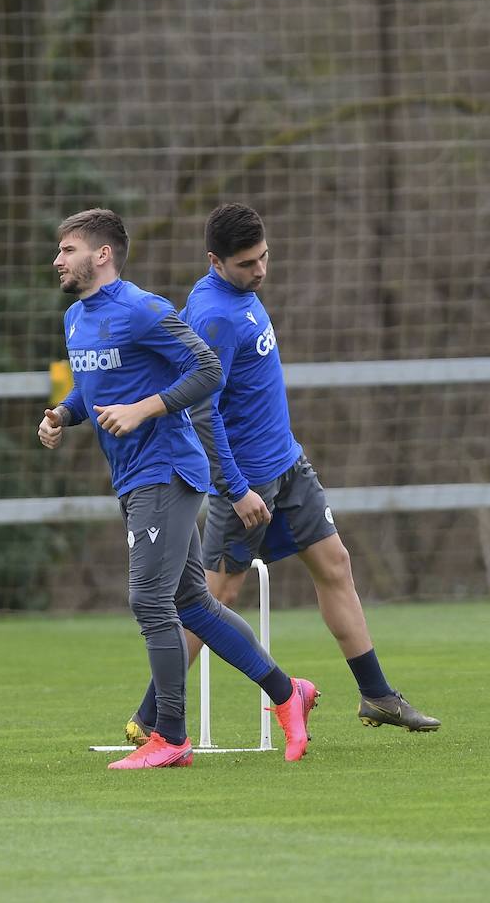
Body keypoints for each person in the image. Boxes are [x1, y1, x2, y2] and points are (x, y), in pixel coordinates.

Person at [123, 203, 439, 743]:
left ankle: (377, 695)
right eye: (247, 263)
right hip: (245, 483)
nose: (260, 270)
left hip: (289, 465)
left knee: (335, 564)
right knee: (212, 601)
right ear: (215, 262)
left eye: (264, 257)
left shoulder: (241, 296)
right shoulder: (214, 316)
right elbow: (203, 410)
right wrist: (237, 487)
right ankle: (150, 716)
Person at [39, 208, 318, 769]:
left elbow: (209, 370)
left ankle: (169, 736)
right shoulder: (75, 319)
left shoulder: (143, 310)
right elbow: (94, 389)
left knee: (149, 599)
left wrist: (144, 410)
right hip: (134, 475)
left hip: (167, 468)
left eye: (68, 250)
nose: (57, 260)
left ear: (102, 254)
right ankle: (289, 693)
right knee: (192, 603)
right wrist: (62, 416)